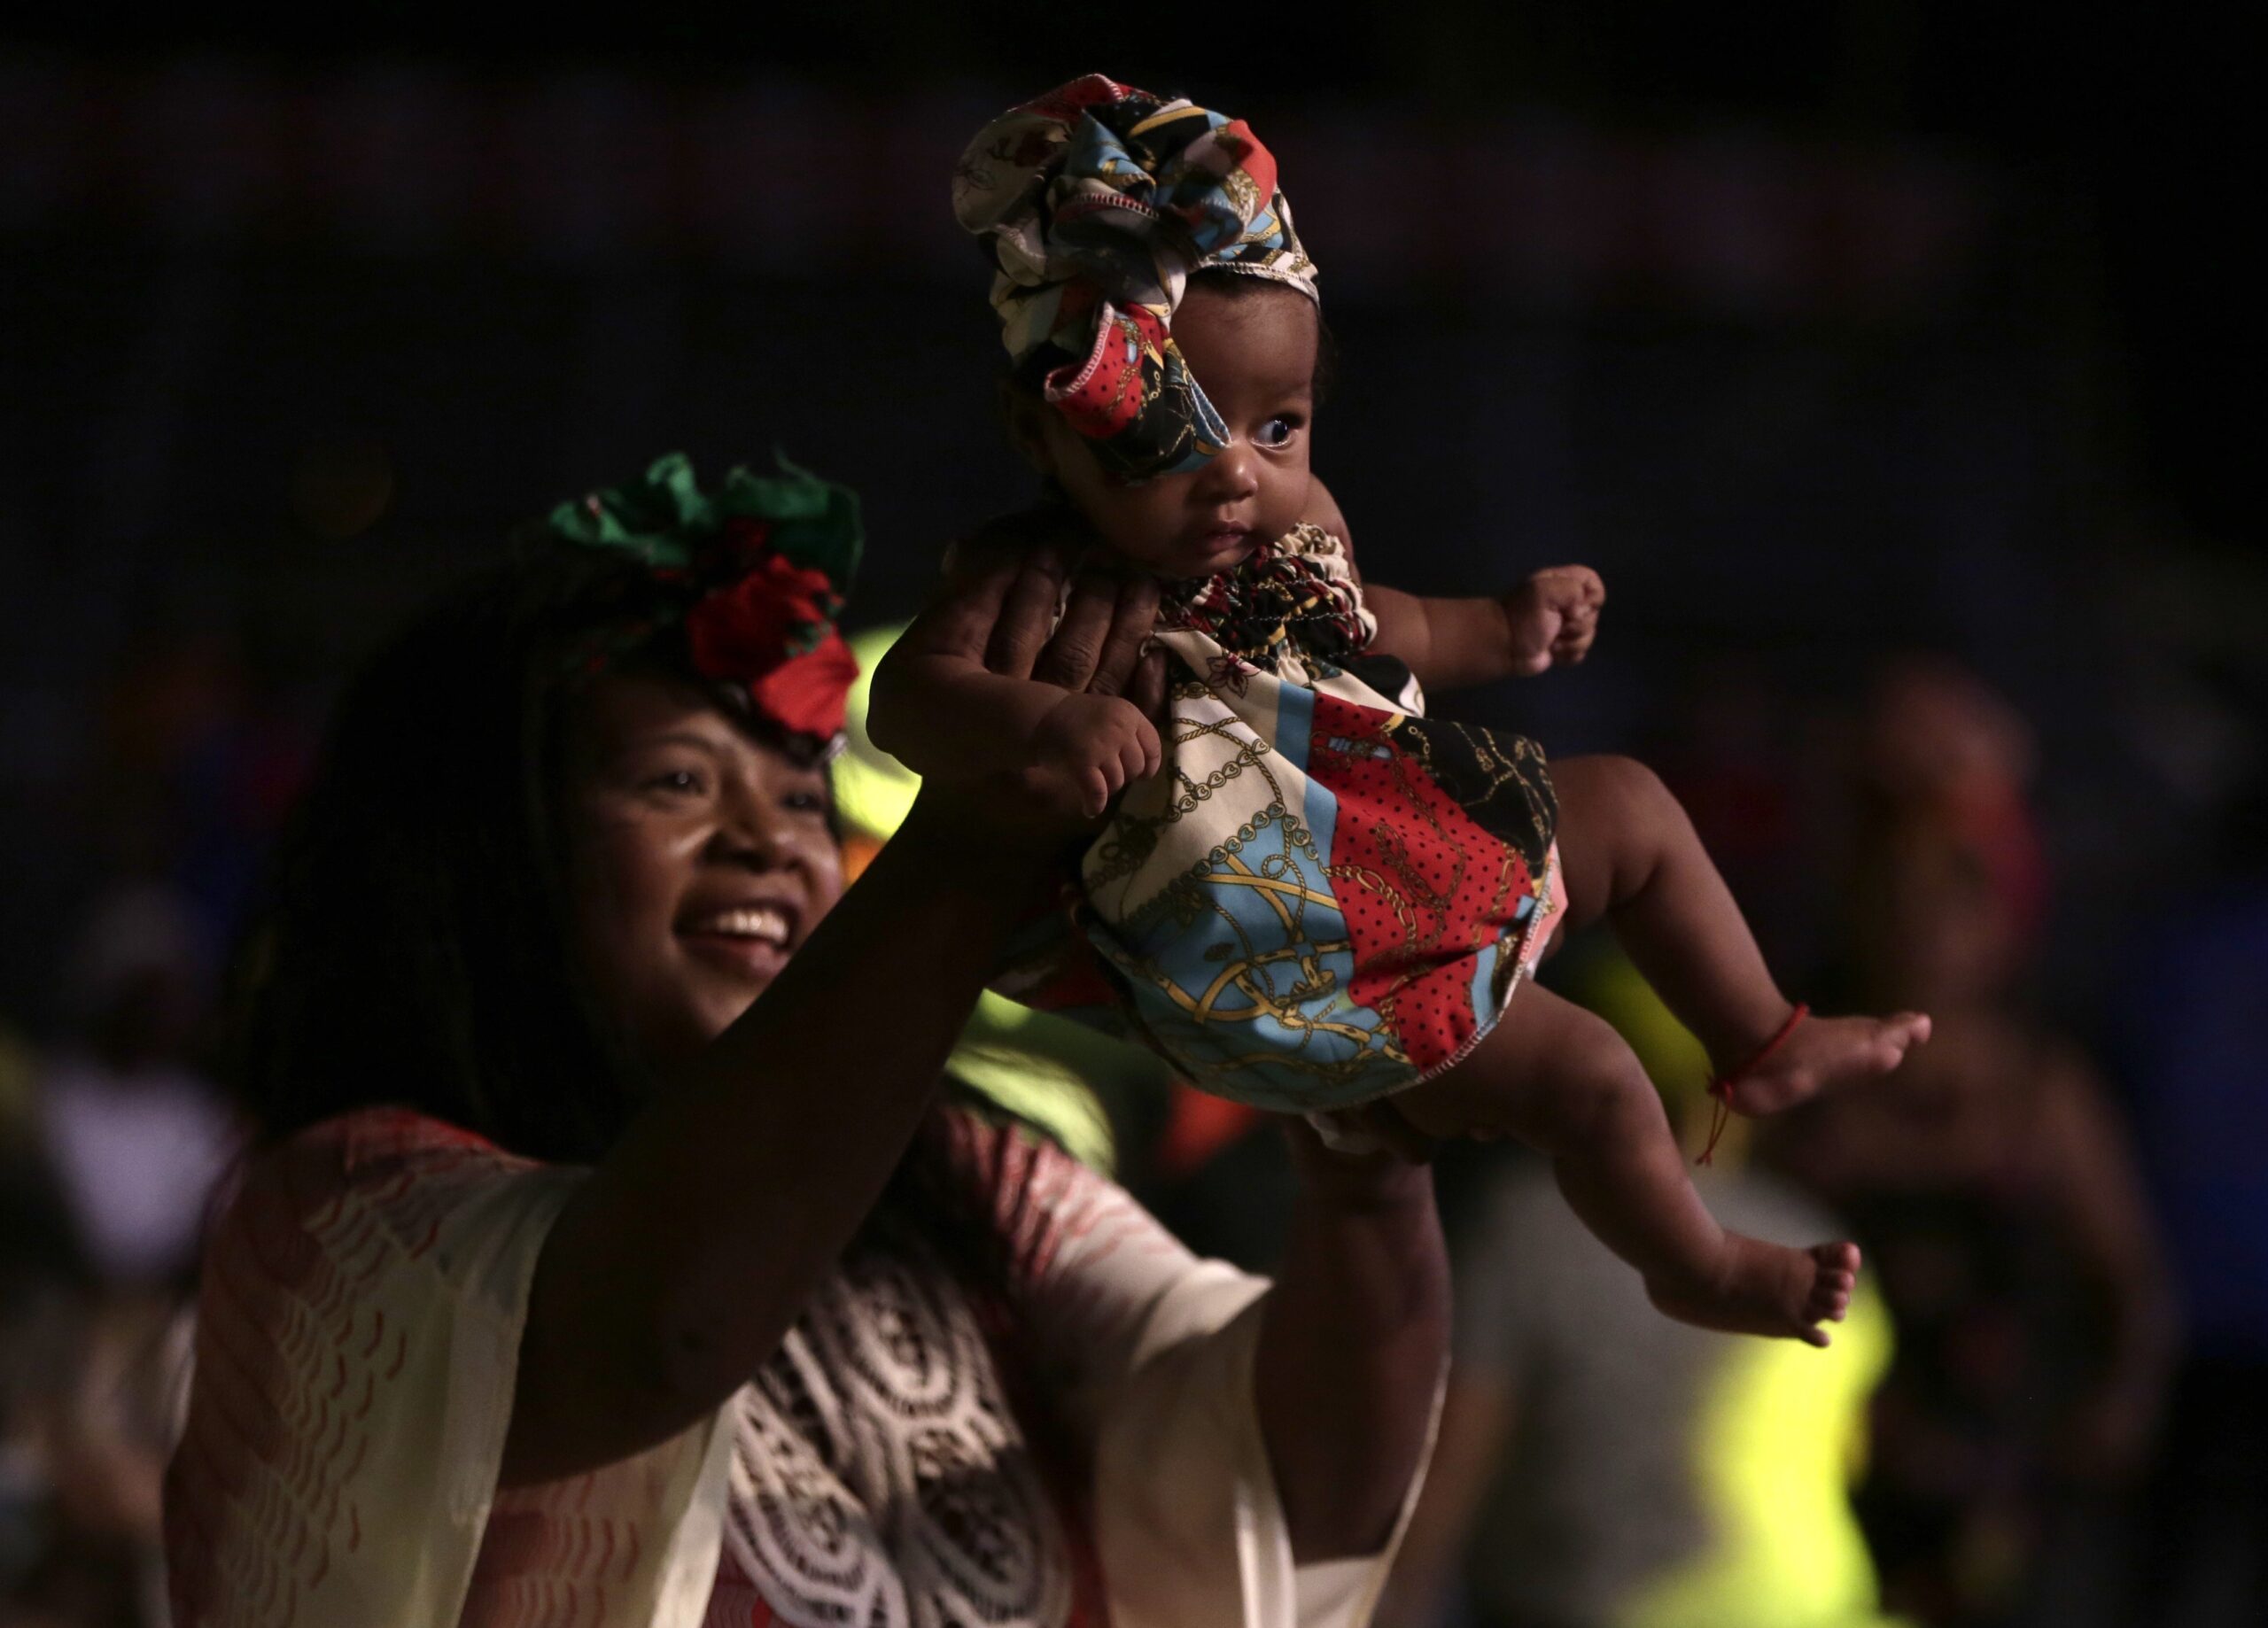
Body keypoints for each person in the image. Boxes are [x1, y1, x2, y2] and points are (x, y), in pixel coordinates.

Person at [160, 453, 1449, 1626]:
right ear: (485, 860)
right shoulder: (336, 1218)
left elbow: (1307, 1484)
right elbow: (659, 1332)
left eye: (797, 794)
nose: (769, 841)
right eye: (675, 781)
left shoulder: (969, 1191)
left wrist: (1361, 1125)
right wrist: (978, 831)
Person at [878, 74, 1927, 1347]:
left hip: (1399, 837)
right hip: (1290, 943)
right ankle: (1693, 1261)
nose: (1237, 480)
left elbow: (1380, 627)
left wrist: (1505, 624)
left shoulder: (1297, 529)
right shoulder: (1030, 581)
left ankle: (1765, 1037)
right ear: (1045, 439)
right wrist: (1032, 723)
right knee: (1589, 1071)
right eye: (1168, 441)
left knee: (1636, 809)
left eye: (1280, 426)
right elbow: (912, 700)